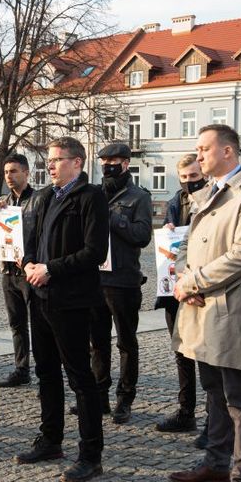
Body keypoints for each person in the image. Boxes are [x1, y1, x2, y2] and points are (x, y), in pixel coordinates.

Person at [169, 124, 241, 482]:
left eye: (205, 149)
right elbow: (186, 244)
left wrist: (194, 280)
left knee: (238, 399)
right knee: (212, 387)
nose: (199, 156)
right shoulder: (209, 193)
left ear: (228, 152)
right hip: (200, 305)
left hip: (231, 310)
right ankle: (215, 462)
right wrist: (184, 280)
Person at [15, 137, 109, 482]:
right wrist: (27, 263)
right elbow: (31, 241)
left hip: (71, 300)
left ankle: (90, 454)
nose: (50, 165)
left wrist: (51, 268)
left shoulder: (90, 197)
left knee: (80, 378)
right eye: (49, 159)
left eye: (57, 159)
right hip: (40, 298)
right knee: (47, 373)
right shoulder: (45, 197)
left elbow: (94, 252)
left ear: (77, 163)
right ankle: (51, 439)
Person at [89, 141, 153, 425]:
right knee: (97, 343)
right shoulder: (94, 194)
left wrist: (114, 219)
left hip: (124, 280)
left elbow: (142, 235)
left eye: (113, 161)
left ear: (126, 164)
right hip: (95, 279)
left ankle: (125, 399)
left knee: (126, 342)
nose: (107, 166)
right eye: (104, 161)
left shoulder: (138, 196)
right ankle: (98, 397)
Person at [155, 153, 209, 448]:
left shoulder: (215, 199)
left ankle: (214, 419)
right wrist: (167, 231)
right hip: (176, 287)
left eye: (194, 175)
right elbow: (168, 230)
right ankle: (186, 410)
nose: (190, 181)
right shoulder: (177, 201)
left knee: (208, 355)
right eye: (185, 177)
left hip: (203, 287)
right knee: (182, 350)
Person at [0, 154, 35, 388]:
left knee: (41, 323)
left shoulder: (38, 200)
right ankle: (21, 368)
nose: (9, 176)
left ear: (26, 173)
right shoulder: (5, 201)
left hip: (30, 271)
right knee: (17, 323)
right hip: (8, 271)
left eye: (14, 171)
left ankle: (45, 368)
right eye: (6, 172)